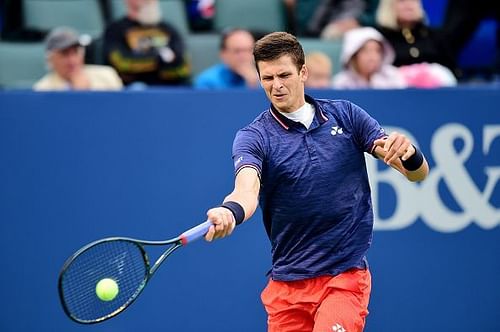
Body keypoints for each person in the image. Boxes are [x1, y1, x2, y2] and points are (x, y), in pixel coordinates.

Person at [203, 31, 429, 332]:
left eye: (284, 74)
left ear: (303, 72)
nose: (277, 85)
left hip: (344, 277)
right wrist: (229, 211)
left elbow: (417, 173)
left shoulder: (346, 115)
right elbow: (247, 190)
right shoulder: (253, 137)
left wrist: (410, 153)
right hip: (287, 286)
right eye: (267, 78)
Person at [103, 0, 191, 86]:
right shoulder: (116, 29)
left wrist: (150, 61)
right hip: (135, 87)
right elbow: (122, 63)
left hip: (171, 85)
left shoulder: (168, 28)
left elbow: (183, 66)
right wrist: (160, 59)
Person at [34, 27, 123, 91]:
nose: (72, 60)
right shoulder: (43, 89)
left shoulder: (107, 76)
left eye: (75, 52)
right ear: (51, 60)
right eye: (65, 54)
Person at [333, 26, 406, 89]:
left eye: (377, 51)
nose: (373, 57)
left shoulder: (392, 76)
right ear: (353, 55)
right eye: (365, 51)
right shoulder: (342, 82)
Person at [193, 28, 259, 89]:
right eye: (237, 51)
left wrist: (253, 84)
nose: (244, 56)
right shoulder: (207, 82)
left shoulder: (263, 79)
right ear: (223, 54)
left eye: (249, 50)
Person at [306, 0, 380, 39]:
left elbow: (376, 15)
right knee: (331, 32)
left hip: (361, 25)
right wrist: (312, 31)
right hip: (337, 24)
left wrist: (359, 20)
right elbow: (324, 9)